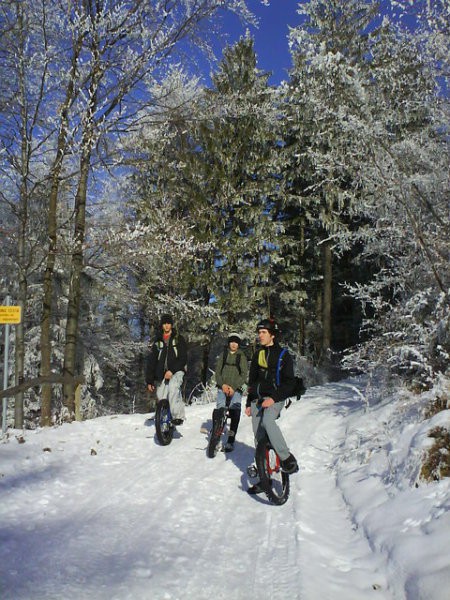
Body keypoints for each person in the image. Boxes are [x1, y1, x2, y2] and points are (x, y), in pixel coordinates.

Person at [245, 318, 298, 495]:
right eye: (259, 332)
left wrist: (273, 398)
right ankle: (264, 478)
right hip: (257, 400)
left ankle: (286, 458)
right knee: (259, 438)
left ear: (272, 335)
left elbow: (289, 383)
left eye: (263, 333)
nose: (260, 336)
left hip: (276, 398)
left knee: (268, 422)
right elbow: (252, 381)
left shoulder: (283, 355)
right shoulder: (257, 354)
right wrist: (248, 402)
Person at [145, 314, 187, 425]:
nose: (167, 326)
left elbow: (183, 358)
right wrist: (149, 380)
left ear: (171, 325)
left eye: (168, 323)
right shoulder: (158, 342)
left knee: (173, 388)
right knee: (161, 396)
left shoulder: (178, 339)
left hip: (177, 371)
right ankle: (164, 423)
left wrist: (172, 371)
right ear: (162, 325)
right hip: (162, 374)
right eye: (164, 323)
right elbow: (152, 361)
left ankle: (178, 417)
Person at [212, 333, 248, 452]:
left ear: (238, 344)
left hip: (236, 387)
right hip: (223, 386)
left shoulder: (241, 356)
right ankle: (215, 434)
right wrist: (223, 385)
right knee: (219, 409)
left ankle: (231, 439)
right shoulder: (224, 354)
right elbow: (217, 372)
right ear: (228, 343)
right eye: (231, 342)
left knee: (235, 410)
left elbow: (243, 375)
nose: (233, 344)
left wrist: (233, 387)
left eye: (236, 342)